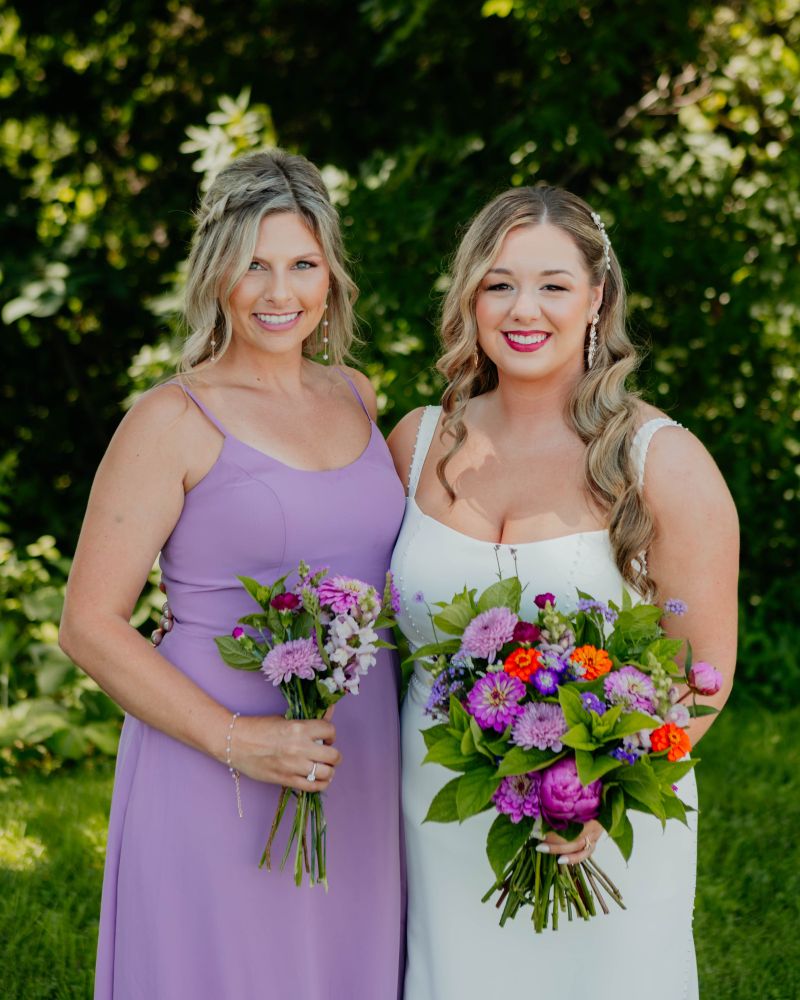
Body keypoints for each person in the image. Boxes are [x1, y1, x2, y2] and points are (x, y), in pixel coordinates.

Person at [59, 149, 406, 1000]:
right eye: (255, 265)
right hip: (213, 759)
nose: (279, 292)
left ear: (331, 274)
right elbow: (89, 624)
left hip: (357, 752)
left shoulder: (358, 396)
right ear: (217, 272)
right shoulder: (171, 418)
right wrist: (237, 739)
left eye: (302, 265)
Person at [388, 186, 738, 999]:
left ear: (597, 297)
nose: (525, 309)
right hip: (437, 814)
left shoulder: (662, 460)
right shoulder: (416, 442)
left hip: (595, 830)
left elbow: (705, 671)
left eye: (552, 284)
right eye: (500, 283)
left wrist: (596, 789)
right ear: (471, 297)